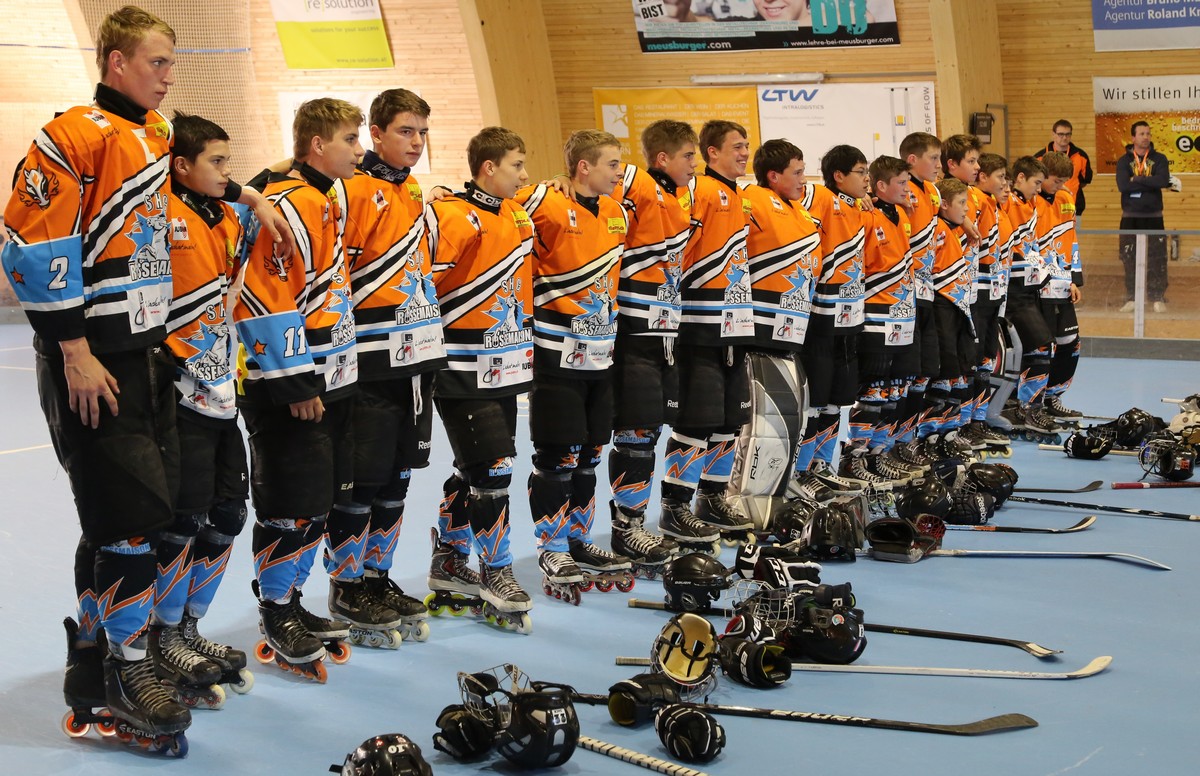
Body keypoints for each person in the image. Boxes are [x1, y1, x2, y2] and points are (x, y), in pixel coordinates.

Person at [2, 5, 193, 749]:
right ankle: (127, 669)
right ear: (117, 61)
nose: (167, 76)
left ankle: (93, 660)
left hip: (148, 355)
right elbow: (29, 245)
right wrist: (74, 351)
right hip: (93, 359)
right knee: (130, 522)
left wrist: (247, 197)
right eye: (156, 62)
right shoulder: (72, 135)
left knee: (133, 517)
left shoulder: (158, 133)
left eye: (171, 63)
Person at [234, 98, 364, 681]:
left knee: (316, 502)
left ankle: (291, 600)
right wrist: (295, 381)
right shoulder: (290, 202)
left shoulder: (321, 195)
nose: (359, 149)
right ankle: (275, 611)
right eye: (350, 139)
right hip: (289, 385)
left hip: (329, 376)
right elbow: (262, 292)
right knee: (291, 504)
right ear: (317, 145)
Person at [326, 88, 445, 647]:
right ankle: (346, 585)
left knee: (398, 477)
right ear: (375, 134)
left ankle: (376, 576)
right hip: (368, 363)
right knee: (363, 478)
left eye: (422, 132)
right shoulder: (348, 189)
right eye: (405, 131)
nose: (416, 142)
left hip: (415, 362)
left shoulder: (413, 188)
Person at [155, 112, 250, 705]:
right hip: (177, 392)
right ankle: (162, 634)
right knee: (183, 520)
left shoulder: (227, 216)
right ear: (181, 165)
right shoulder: (160, 212)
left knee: (227, 514)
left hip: (222, 393)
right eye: (215, 162)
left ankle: (189, 626)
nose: (226, 173)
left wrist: (246, 195)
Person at [424, 126, 535, 632]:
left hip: (504, 365)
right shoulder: (449, 215)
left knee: (473, 469)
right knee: (493, 471)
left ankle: (449, 558)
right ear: (489, 168)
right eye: (516, 165)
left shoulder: (515, 212)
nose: (524, 176)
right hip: (459, 367)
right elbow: (421, 281)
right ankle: (496, 571)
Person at [515, 129, 634, 601]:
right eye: (611, 164)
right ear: (583, 167)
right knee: (557, 456)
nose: (619, 172)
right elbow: (490, 202)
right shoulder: (543, 200)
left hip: (601, 354)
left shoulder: (616, 211)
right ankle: (552, 547)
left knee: (590, 455)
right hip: (554, 352)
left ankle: (579, 540)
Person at [606, 119, 698, 571]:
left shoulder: (678, 197)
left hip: (666, 332)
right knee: (636, 433)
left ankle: (638, 520)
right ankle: (626, 528)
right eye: (688, 156)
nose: (694, 164)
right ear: (663, 158)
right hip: (633, 331)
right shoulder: (637, 182)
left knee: (653, 430)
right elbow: (583, 184)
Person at [660, 120, 756, 549]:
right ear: (711, 152)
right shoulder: (695, 190)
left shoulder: (743, 195)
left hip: (736, 325)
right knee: (696, 420)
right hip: (697, 325)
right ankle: (674, 505)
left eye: (747, 145)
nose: (744, 153)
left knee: (730, 420)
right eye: (737, 146)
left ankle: (711, 498)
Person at [732, 139, 823, 515]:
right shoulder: (751, 198)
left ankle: (774, 494)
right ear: (773, 175)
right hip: (758, 334)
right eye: (797, 172)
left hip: (792, 335)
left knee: (790, 423)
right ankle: (744, 502)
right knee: (764, 426)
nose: (804, 179)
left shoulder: (799, 209)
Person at [791, 144, 870, 495]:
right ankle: (800, 470)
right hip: (821, 317)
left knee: (839, 399)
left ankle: (822, 465)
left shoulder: (858, 207)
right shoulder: (821, 196)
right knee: (816, 399)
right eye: (861, 172)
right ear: (838, 176)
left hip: (850, 318)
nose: (867, 179)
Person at [840, 154, 921, 487]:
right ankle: (854, 458)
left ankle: (878, 454)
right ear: (881, 185)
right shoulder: (866, 215)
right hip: (876, 318)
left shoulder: (900, 215)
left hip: (903, 318)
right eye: (901, 183)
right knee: (873, 391)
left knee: (895, 390)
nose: (907, 188)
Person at [889, 131, 942, 472]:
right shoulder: (897, 192)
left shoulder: (932, 192)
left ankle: (909, 439)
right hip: (900, 297)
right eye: (933, 158)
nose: (938, 165)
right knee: (900, 378)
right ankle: (885, 446)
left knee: (924, 373)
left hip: (928, 290)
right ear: (912, 160)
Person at [999, 156, 1059, 440]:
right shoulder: (1008, 202)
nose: (1039, 188)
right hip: (1012, 291)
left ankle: (1020, 406)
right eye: (1036, 182)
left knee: (1037, 348)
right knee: (1041, 346)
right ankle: (1029, 409)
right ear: (1020, 178)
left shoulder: (1028, 204)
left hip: (1029, 288)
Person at [1034, 152, 1083, 419]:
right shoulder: (1030, 201)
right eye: (1056, 180)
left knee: (1070, 342)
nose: (1060, 186)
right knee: (1040, 347)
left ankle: (1053, 396)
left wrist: (1074, 279)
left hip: (1062, 284)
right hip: (1036, 286)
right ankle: (1031, 401)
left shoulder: (1066, 199)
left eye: (1064, 181)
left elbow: (1071, 240)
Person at [1116, 121, 1173, 312]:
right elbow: (1123, 185)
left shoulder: (1160, 159)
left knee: (1157, 257)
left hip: (1154, 216)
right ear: (1133, 137)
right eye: (1141, 134)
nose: (1146, 137)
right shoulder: (1124, 161)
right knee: (1129, 256)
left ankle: (1157, 297)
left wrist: (1137, 179)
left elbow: (1162, 180)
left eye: (1148, 133)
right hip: (1130, 216)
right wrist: (1149, 182)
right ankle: (1132, 297)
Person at [1034, 120, 1093, 220]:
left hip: (1073, 206)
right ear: (1053, 134)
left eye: (1068, 134)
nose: (1065, 137)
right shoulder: (1040, 157)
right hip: (1046, 205)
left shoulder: (1081, 156)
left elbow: (1084, 181)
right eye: (1061, 134)